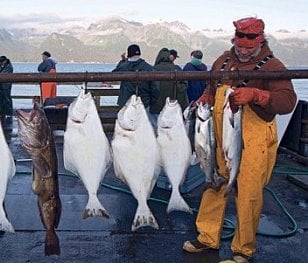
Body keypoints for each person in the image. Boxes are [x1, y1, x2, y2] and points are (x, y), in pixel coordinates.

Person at [182, 17, 297, 263]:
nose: (243, 51)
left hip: (254, 140)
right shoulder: (223, 60)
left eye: (248, 47)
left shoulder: (273, 66)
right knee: (214, 183)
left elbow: (288, 101)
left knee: (249, 192)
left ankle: (243, 249)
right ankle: (207, 237)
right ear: (234, 39)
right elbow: (212, 88)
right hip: (220, 135)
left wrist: (257, 94)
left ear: (260, 41)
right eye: (239, 45)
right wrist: (204, 97)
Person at [113, 44, 159, 127]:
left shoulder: (123, 67)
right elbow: (155, 87)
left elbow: (113, 75)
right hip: (144, 102)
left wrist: (122, 61)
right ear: (139, 54)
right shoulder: (148, 68)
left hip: (126, 103)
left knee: (126, 129)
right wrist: (153, 101)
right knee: (148, 128)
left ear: (128, 54)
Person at [149, 48, 188, 131]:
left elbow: (149, 87)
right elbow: (184, 86)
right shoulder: (177, 68)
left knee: (156, 129)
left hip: (156, 106)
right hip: (173, 105)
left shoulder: (153, 69)